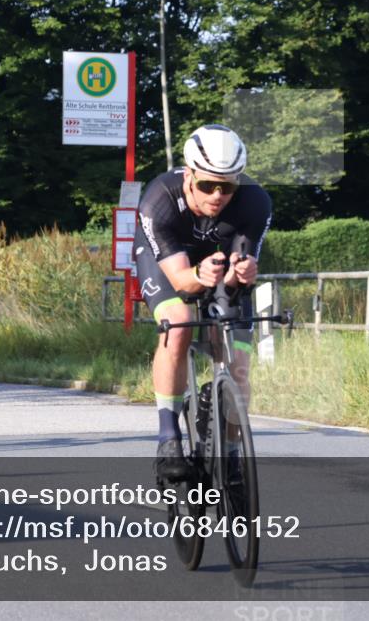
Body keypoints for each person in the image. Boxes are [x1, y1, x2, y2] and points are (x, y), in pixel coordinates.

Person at [133, 124, 272, 479]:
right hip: (168, 264)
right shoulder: (159, 199)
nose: (216, 195)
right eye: (207, 185)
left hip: (217, 264)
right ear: (188, 175)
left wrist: (242, 273)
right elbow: (181, 280)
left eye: (226, 187)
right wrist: (199, 276)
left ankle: (230, 455)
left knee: (238, 360)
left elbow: (238, 268)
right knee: (178, 324)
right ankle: (168, 439)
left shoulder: (254, 201)